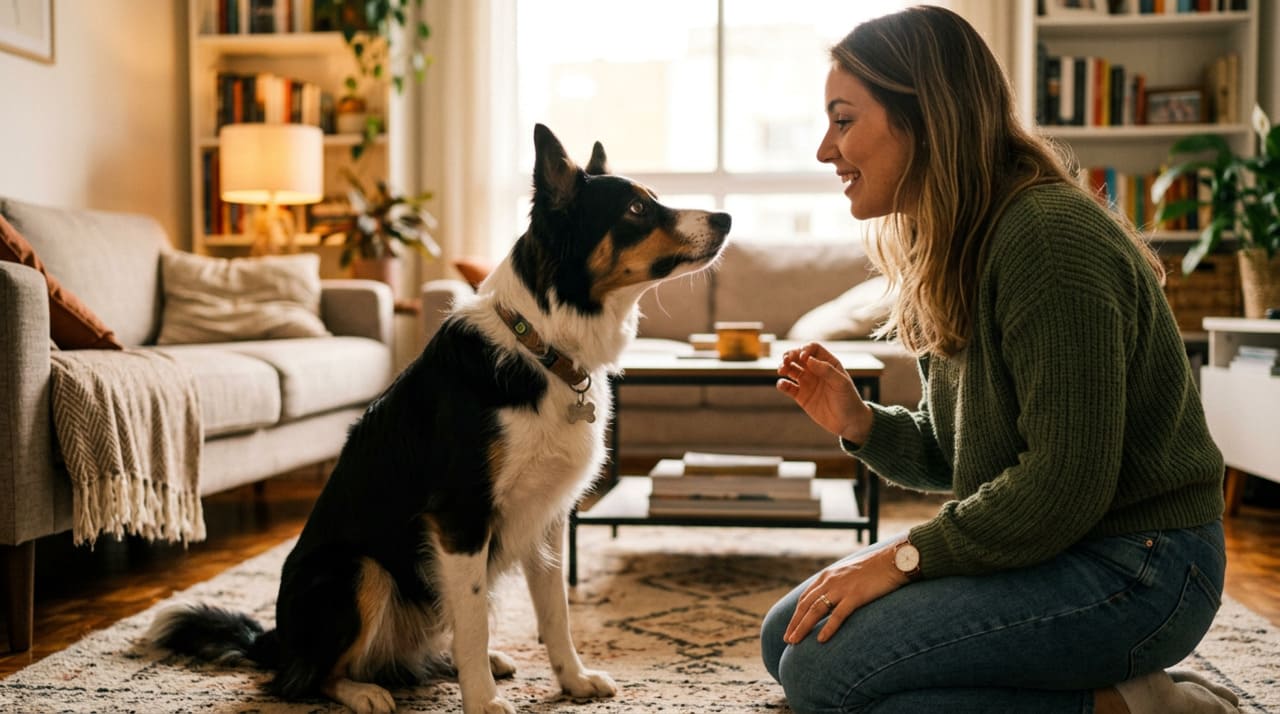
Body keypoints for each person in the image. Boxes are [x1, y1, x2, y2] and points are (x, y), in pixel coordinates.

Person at [761, 6, 1234, 713]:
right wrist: (860, 423)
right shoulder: (955, 246)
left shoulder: (1046, 240)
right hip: (1059, 546)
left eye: (844, 120)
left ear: (923, 117)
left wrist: (902, 559)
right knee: (787, 639)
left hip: (1143, 564)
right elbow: (961, 455)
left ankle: (1145, 707)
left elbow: (1062, 482)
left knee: (826, 677)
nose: (826, 152)